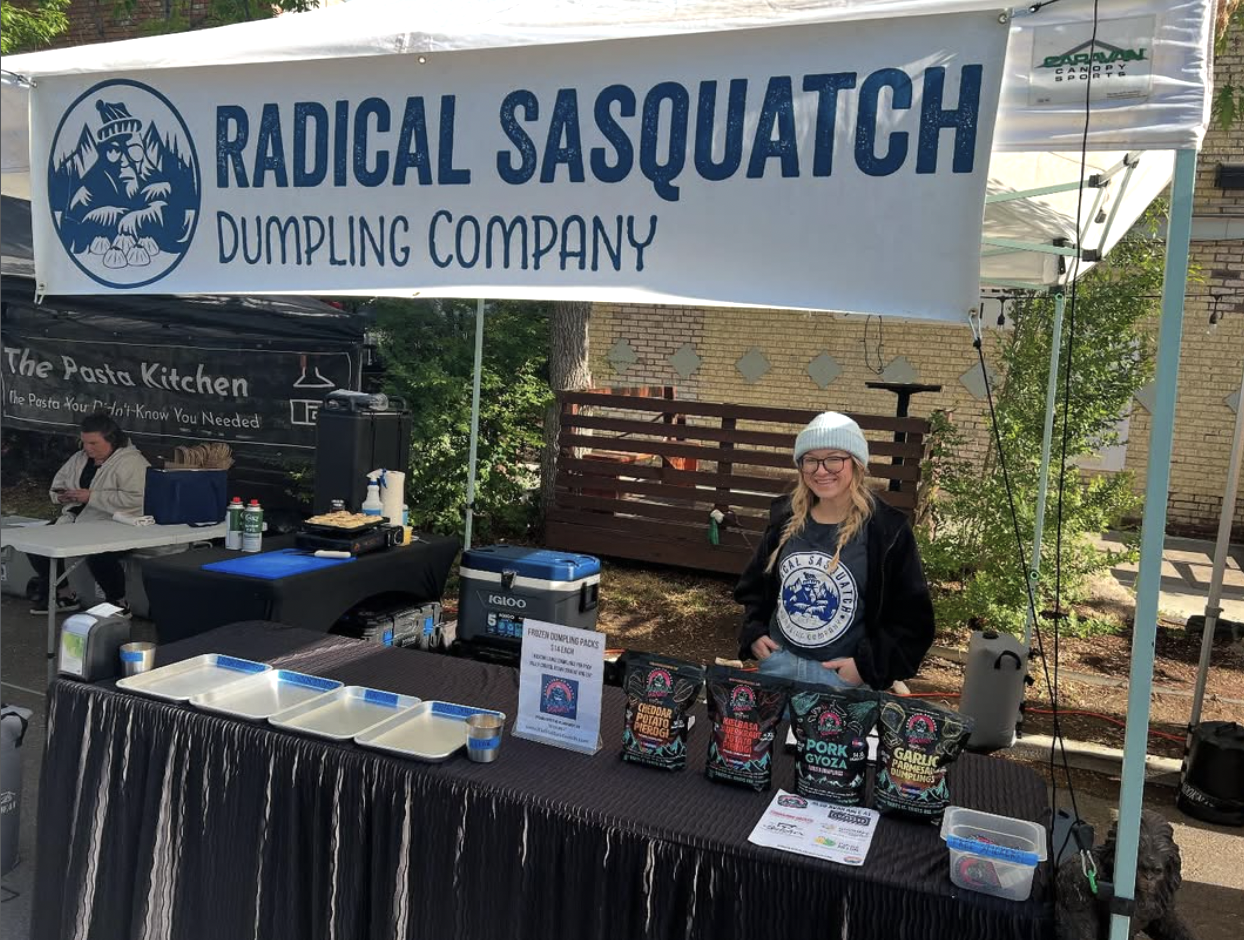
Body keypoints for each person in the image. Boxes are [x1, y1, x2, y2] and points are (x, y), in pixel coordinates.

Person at [734, 411, 934, 690]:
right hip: (777, 668)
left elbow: (913, 620)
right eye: (811, 460)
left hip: (841, 681)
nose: (821, 470)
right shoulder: (786, 518)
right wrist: (754, 632)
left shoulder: (886, 531)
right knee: (772, 735)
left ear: (856, 464)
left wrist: (866, 666)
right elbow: (755, 588)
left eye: (834, 459)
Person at [27, 413, 150, 617]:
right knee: (36, 544)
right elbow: (58, 484)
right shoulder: (79, 458)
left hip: (116, 524)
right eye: (84, 442)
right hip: (76, 520)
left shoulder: (132, 462)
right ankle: (64, 596)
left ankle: (118, 603)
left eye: (94, 443)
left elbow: (138, 500)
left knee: (99, 557)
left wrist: (92, 497)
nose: (88, 448)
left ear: (111, 439)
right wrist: (61, 496)